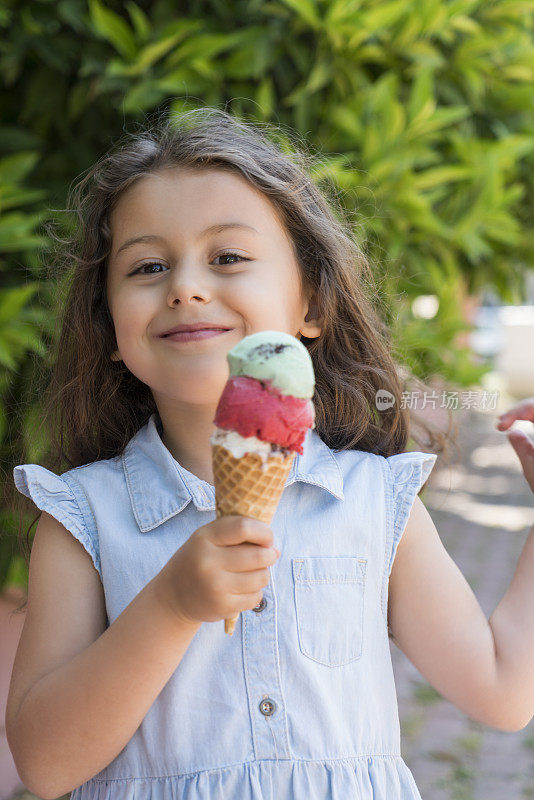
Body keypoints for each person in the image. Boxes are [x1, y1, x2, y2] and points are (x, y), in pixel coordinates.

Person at [5, 105, 532, 800]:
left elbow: (502, 689)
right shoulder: (84, 517)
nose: (186, 286)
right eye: (148, 266)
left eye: (227, 257)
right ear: (109, 326)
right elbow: (43, 764)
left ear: (310, 303)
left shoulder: (373, 503)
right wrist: (170, 605)